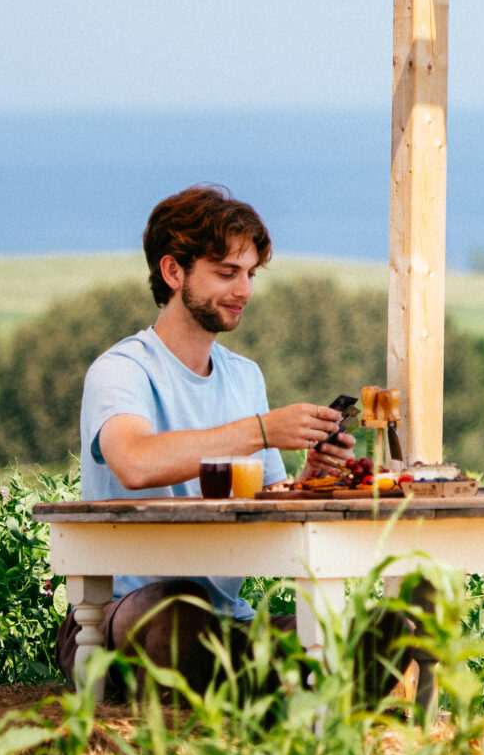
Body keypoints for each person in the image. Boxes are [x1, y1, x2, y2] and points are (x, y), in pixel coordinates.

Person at [54, 183, 355, 693]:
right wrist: (263, 430)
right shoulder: (122, 370)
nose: (245, 291)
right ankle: (275, 686)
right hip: (126, 612)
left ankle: (270, 681)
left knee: (369, 639)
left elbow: (266, 499)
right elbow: (135, 462)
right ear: (173, 272)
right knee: (174, 613)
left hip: (226, 623)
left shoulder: (245, 377)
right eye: (226, 273)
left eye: (250, 274)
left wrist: (312, 478)